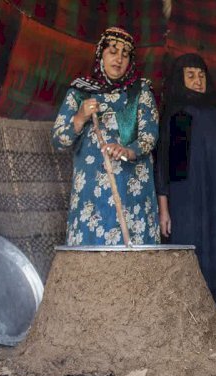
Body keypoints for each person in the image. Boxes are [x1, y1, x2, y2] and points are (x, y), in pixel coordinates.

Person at [156, 53, 216, 330]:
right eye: (191, 76)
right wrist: (164, 208)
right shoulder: (178, 114)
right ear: (180, 80)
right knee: (193, 252)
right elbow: (170, 167)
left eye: (201, 75)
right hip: (189, 198)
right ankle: (193, 328)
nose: (197, 81)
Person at [52, 27, 160, 246]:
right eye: (113, 51)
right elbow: (59, 141)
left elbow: (149, 135)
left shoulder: (140, 92)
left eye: (125, 54)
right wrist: (80, 117)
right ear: (101, 54)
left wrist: (129, 151)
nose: (118, 59)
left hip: (132, 193)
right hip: (92, 197)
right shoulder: (80, 92)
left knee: (135, 266)